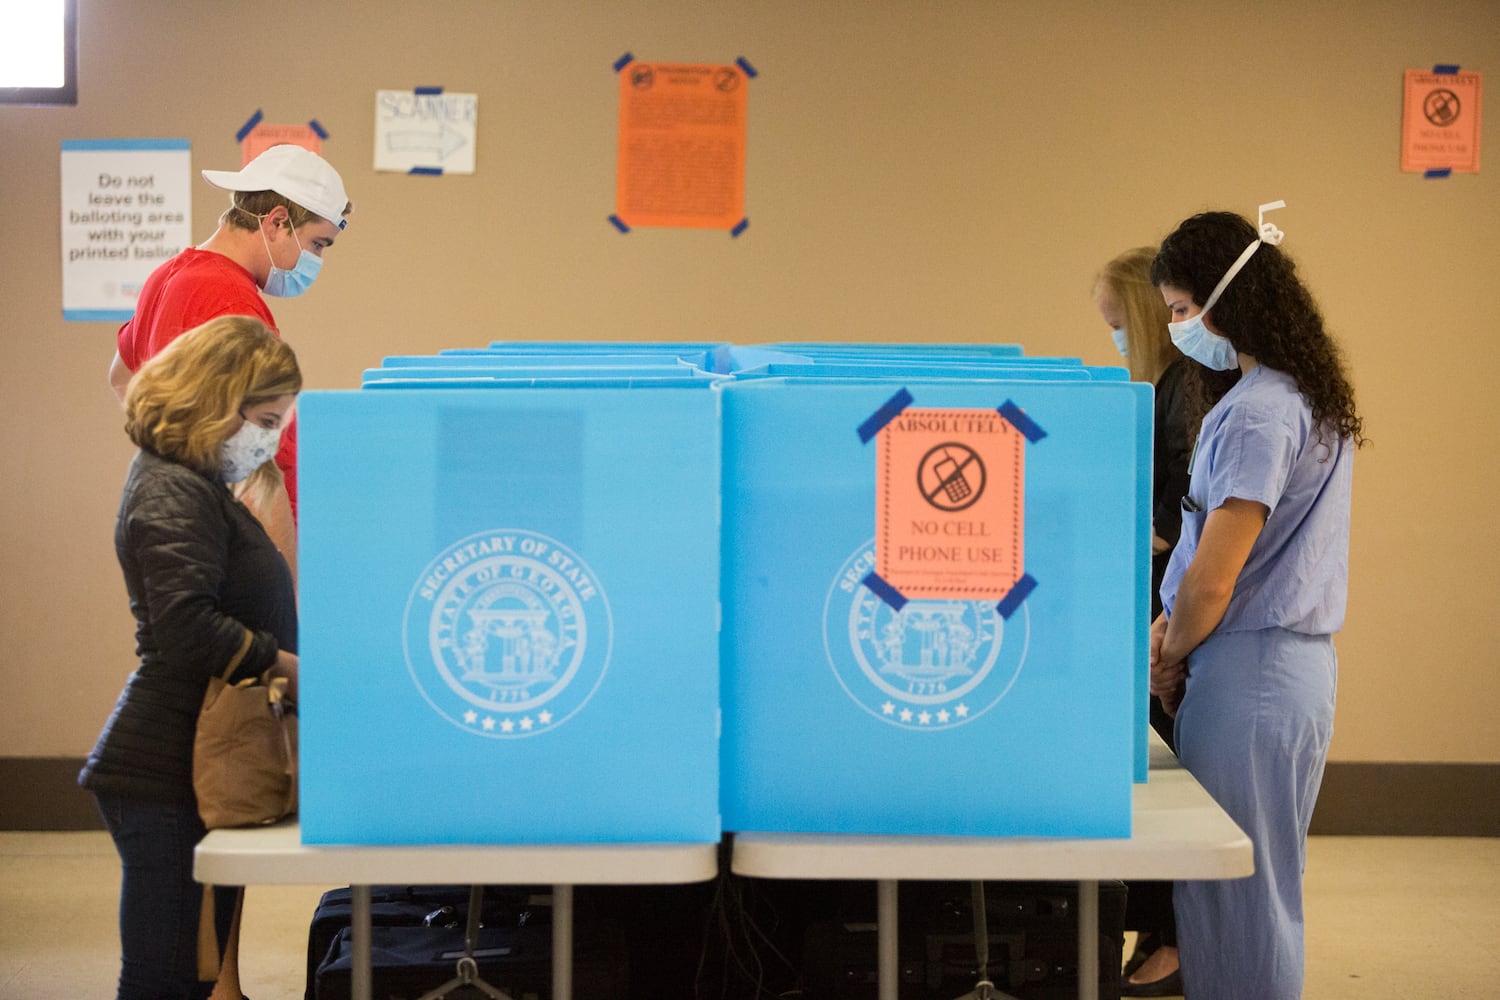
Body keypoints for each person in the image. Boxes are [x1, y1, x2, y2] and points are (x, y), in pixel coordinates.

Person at [1148, 202, 1364, 999]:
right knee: (1245, 892)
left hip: (1252, 676)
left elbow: (1214, 575)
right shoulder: (1291, 397)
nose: (1176, 327)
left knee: (1238, 896)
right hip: (1265, 670)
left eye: (1180, 309)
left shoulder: (1257, 414)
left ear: (1224, 301)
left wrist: (1164, 659)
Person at [80, 316, 301, 1000]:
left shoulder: (193, 483)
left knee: (190, 970)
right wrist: (287, 666)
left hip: (195, 757)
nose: (269, 438)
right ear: (216, 401)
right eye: (265, 419)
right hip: (164, 767)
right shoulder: (172, 487)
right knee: (163, 977)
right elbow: (184, 626)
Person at [106, 143, 351, 572]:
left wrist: (181, 469)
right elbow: (261, 469)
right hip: (239, 549)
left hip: (200, 533)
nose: (316, 260)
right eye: (317, 244)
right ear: (276, 221)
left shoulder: (170, 275)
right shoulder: (230, 300)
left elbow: (123, 378)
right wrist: (284, 588)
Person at [1094, 246, 1191, 996]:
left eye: (1119, 324)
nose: (1115, 340)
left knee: (1168, 773)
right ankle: (1158, 932)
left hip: (1168, 593)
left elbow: (1178, 511)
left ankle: (1171, 940)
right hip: (1151, 587)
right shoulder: (1157, 386)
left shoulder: (1185, 389)